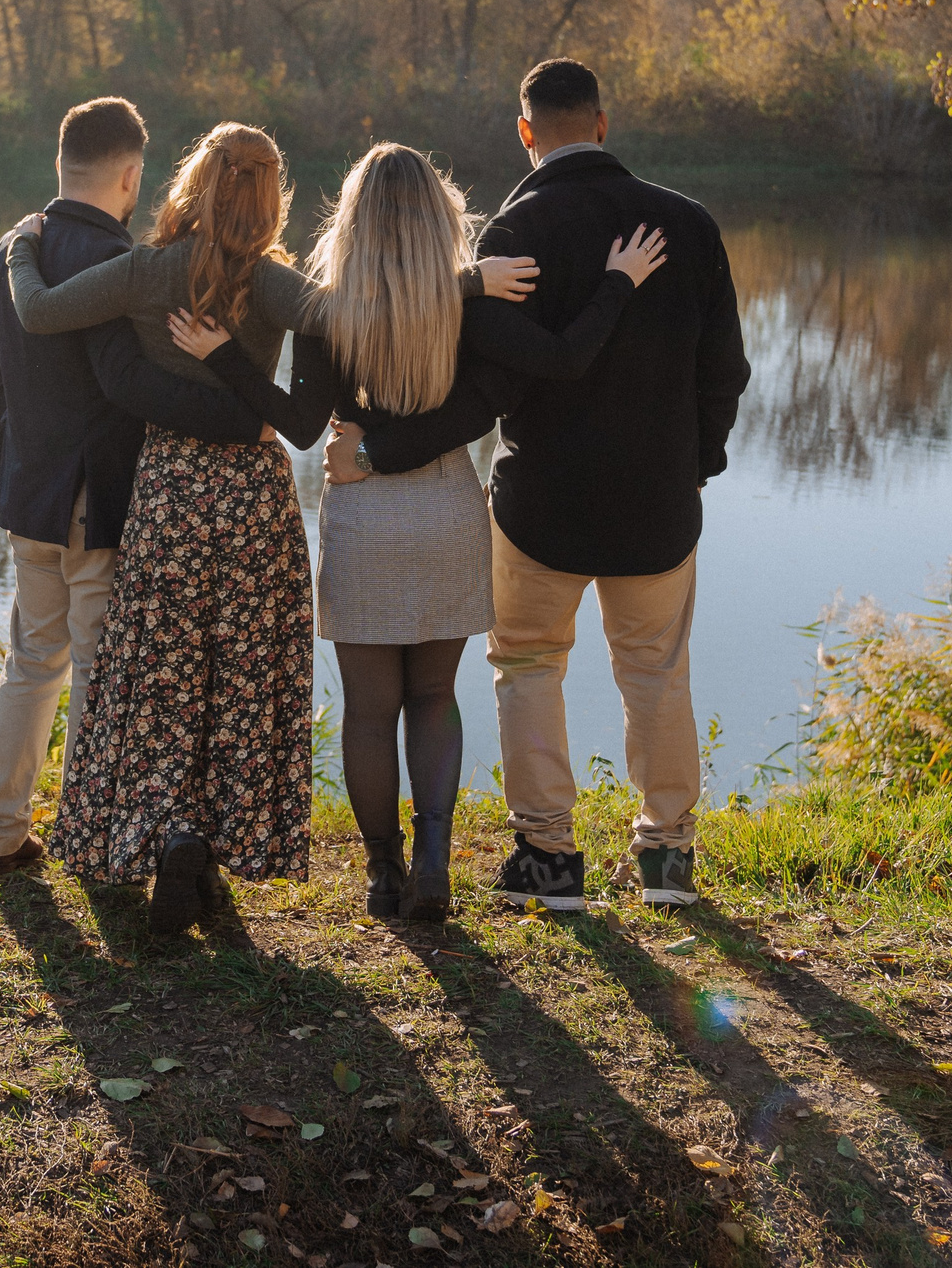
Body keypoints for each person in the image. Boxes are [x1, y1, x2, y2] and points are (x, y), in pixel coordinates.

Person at [0, 122, 533, 933]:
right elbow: (369, 307)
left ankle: (170, 830)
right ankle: (226, 842)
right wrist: (466, 281)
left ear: (189, 184)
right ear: (272, 197)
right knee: (246, 683)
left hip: (172, 496)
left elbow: (38, 314)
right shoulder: (276, 284)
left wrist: (19, 247)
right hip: (253, 499)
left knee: (165, 679)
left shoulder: (142, 272)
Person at [167, 143, 665, 924]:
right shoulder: (469, 301)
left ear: (353, 222)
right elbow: (511, 387)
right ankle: (434, 863)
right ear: (440, 216)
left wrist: (226, 356)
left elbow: (300, 427)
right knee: (434, 696)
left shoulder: (328, 310)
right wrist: (602, 284)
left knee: (369, 711)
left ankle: (381, 874)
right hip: (447, 507)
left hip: (362, 513)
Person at [460, 58, 751, 913]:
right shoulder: (688, 224)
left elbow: (497, 381)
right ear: (601, 123)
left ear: (526, 133)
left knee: (526, 664)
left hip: (540, 502)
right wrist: (693, 465)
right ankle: (667, 862)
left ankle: (548, 861)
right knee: (655, 671)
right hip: (658, 503)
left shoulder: (512, 232)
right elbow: (724, 370)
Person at [0, 97, 269, 876]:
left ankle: (1, 832)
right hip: (96, 498)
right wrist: (241, 419)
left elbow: (3, 377)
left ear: (62, 166)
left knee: (32, 660)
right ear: (131, 176)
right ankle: (94, 839)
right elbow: (127, 385)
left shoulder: (12, 249)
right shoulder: (121, 264)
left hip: (28, 489)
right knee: (101, 667)